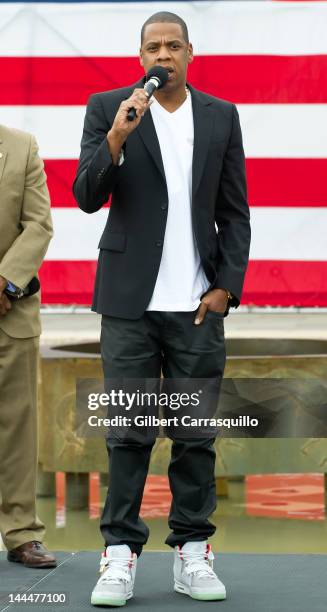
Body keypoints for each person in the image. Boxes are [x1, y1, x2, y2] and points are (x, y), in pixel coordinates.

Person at [74, 11, 250, 606]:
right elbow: (85, 196)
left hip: (196, 306)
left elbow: (236, 210)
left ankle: (193, 552)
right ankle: (119, 556)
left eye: (174, 45)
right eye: (154, 46)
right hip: (129, 304)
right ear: (141, 56)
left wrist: (226, 285)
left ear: (191, 54)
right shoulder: (109, 108)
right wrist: (119, 135)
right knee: (128, 431)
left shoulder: (221, 116)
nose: (164, 55)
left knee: (195, 435)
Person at [0, 124, 56, 568]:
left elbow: (38, 224)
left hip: (10, 311)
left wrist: (4, 282)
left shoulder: (21, 147)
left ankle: (21, 533)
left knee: (18, 427)